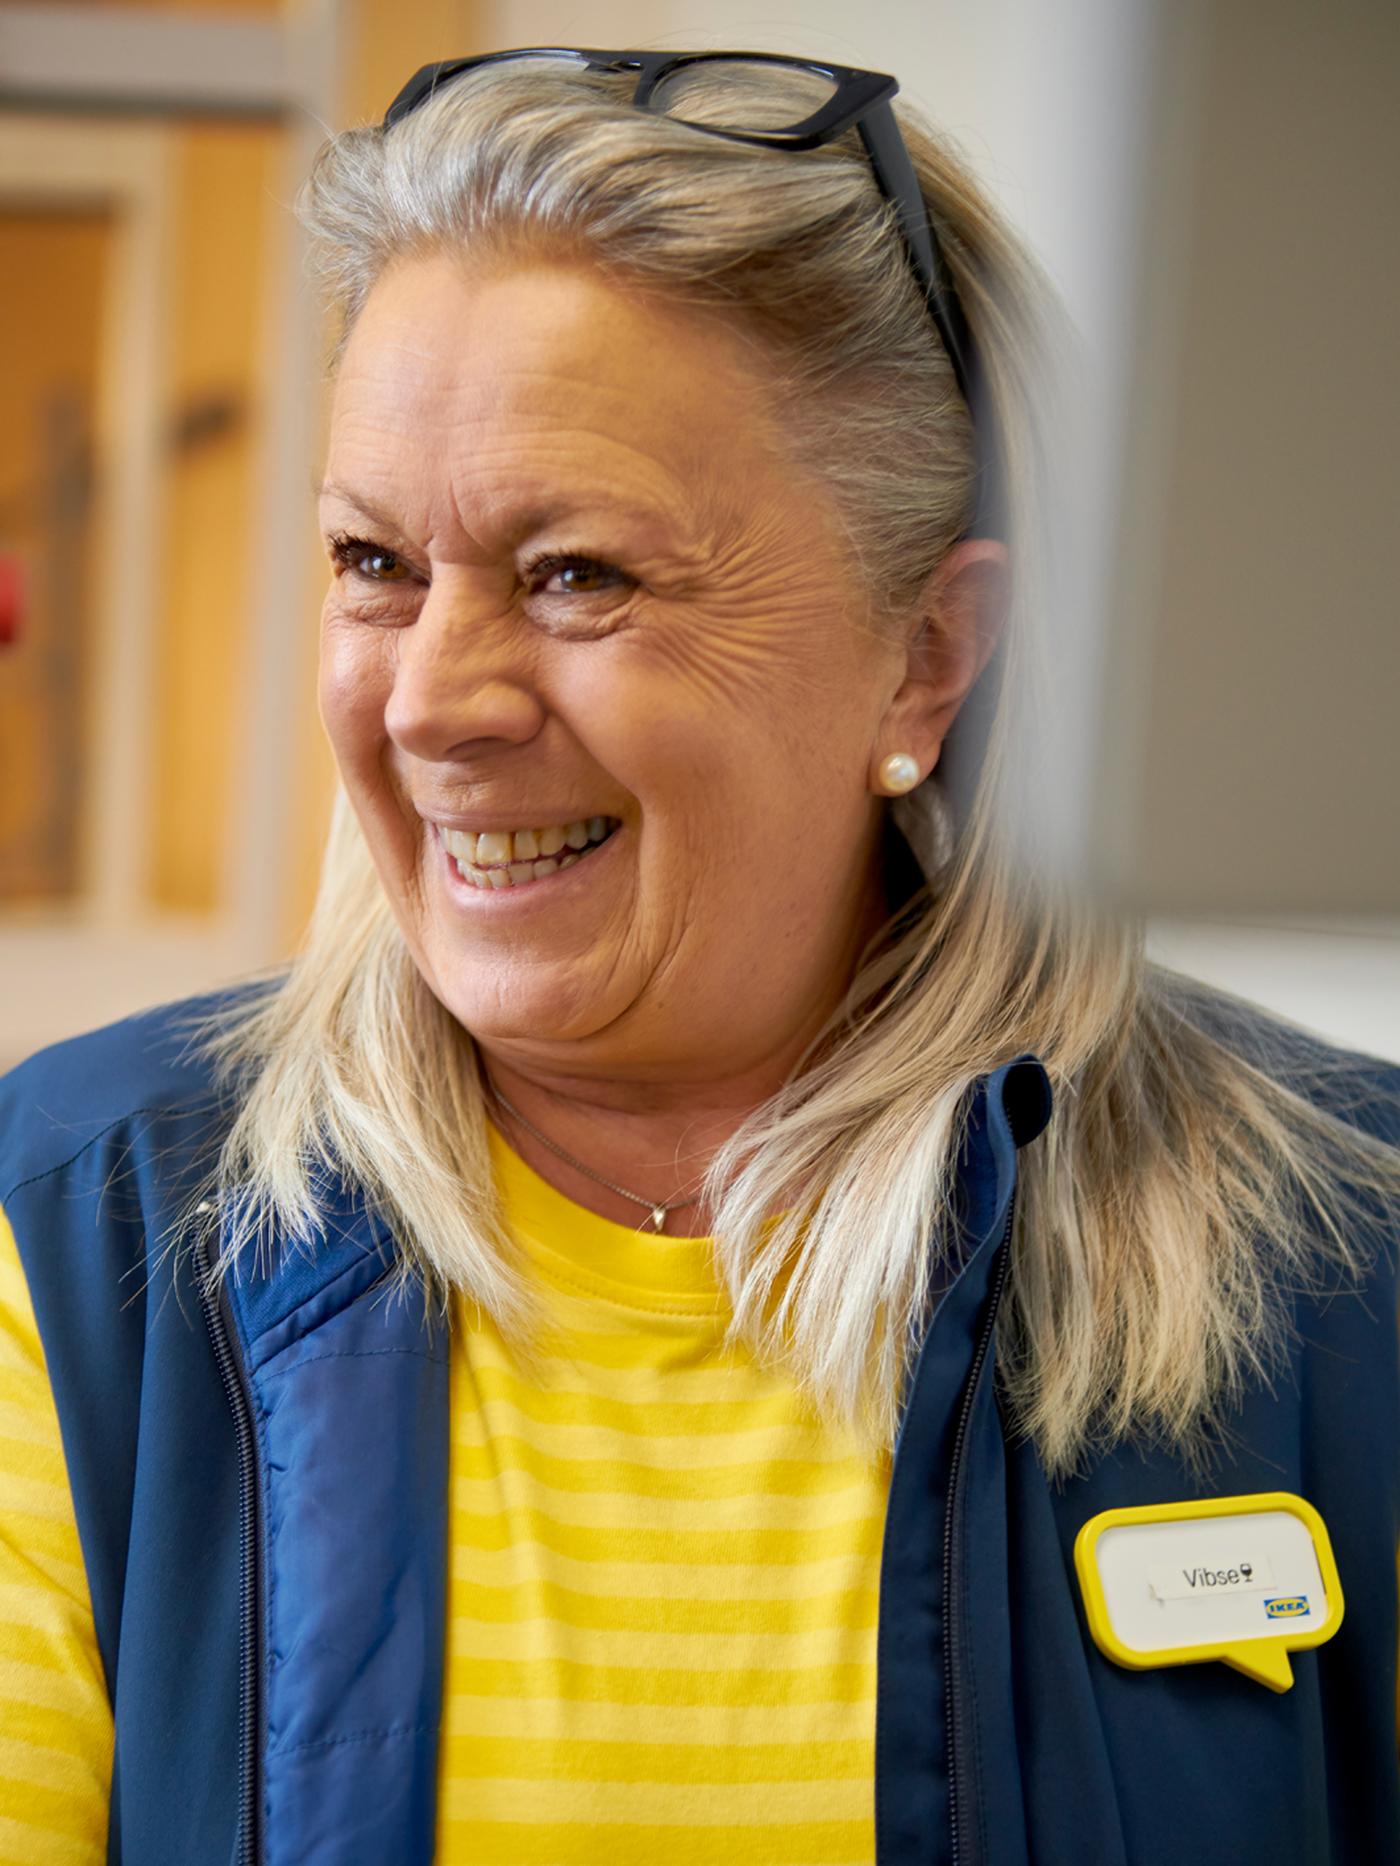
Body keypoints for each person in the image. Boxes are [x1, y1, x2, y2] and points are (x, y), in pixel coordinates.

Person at [1, 47, 1396, 1866]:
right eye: (372, 563)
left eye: (577, 572)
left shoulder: (1347, 1256)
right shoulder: (72, 1244)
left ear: (925, 657)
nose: (431, 699)